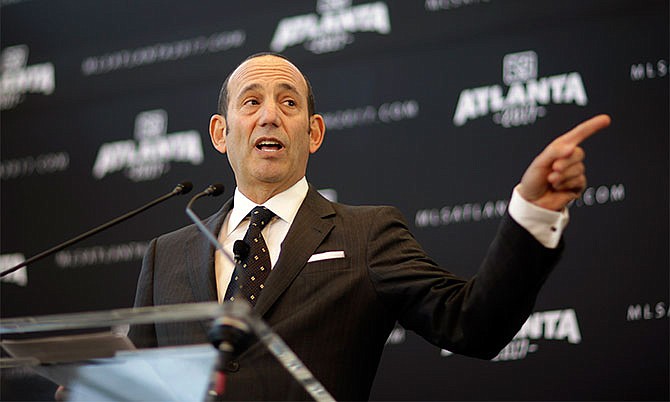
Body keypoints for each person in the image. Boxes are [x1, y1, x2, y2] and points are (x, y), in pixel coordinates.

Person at [127, 53, 611, 400]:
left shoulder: (366, 235)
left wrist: (531, 212)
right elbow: (137, 385)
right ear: (220, 133)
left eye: (288, 104)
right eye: (251, 102)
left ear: (313, 133)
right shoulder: (166, 253)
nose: (270, 116)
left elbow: (473, 324)